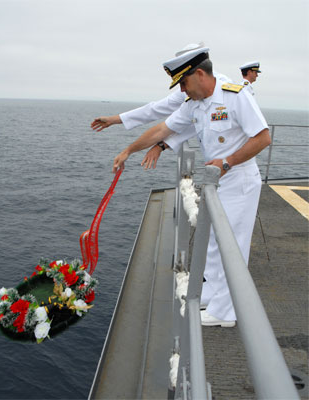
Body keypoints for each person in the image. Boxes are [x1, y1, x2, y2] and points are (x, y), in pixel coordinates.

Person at [111, 47, 271, 327]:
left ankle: (226, 311)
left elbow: (263, 137)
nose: (182, 90)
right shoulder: (196, 103)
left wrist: (228, 162)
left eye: (183, 83)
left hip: (238, 178)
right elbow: (162, 129)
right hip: (217, 180)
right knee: (212, 239)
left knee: (232, 246)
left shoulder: (235, 95)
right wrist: (128, 150)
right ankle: (211, 292)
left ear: (199, 74)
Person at [91, 43, 232, 166]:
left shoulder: (226, 92)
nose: (182, 88)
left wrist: (162, 145)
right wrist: (114, 120)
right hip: (217, 169)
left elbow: (196, 124)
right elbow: (156, 110)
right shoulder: (190, 92)